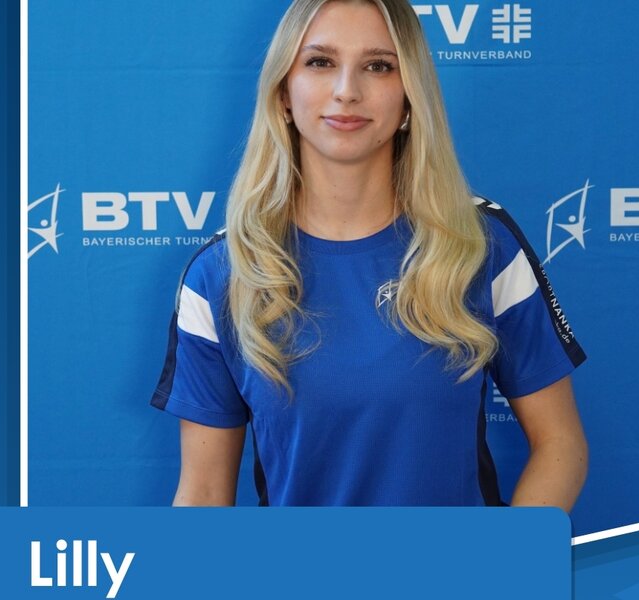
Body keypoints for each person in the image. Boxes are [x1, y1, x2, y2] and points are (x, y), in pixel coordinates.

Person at [151, 0, 588, 509]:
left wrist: (503, 552)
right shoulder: (221, 274)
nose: (347, 91)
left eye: (378, 66)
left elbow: (561, 445)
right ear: (284, 93)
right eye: (320, 62)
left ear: (409, 96)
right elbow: (203, 493)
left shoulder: (479, 245)